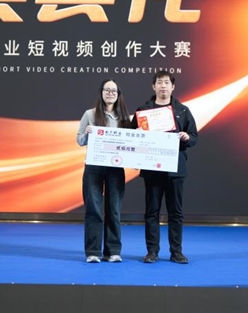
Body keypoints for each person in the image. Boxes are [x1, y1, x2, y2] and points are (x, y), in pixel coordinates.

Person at [131, 70, 198, 264]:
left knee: (175, 212)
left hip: (175, 168)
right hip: (152, 168)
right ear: (153, 86)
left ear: (172, 86)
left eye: (166, 82)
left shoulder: (182, 110)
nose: (163, 86)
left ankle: (176, 252)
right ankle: (152, 252)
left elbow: (194, 136)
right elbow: (131, 137)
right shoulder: (143, 111)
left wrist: (186, 137)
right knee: (151, 211)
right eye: (159, 82)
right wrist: (138, 134)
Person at [77, 78, 131, 263]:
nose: (110, 93)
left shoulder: (124, 118)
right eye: (107, 90)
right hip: (94, 167)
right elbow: (79, 140)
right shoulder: (89, 114)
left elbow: (131, 143)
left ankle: (113, 251)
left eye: (113, 91)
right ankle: (93, 252)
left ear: (118, 95)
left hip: (115, 168)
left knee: (114, 210)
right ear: (101, 93)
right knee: (94, 210)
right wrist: (87, 133)